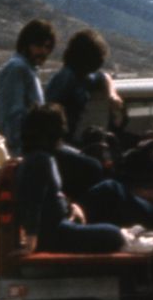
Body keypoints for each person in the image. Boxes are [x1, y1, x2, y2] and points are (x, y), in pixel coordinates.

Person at [16, 105, 126, 254]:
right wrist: (31, 242)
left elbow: (53, 196)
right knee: (114, 234)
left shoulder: (42, 157)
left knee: (109, 190)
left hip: (62, 222)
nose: (64, 132)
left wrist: (70, 208)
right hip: (56, 232)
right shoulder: (39, 160)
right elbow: (33, 203)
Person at [44, 28, 123, 142]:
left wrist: (112, 95)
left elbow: (104, 76)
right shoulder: (65, 78)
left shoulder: (83, 76)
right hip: (57, 141)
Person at [0, 19, 56, 156]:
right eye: (38, 45)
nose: (43, 51)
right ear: (26, 44)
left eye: (47, 47)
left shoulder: (30, 70)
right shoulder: (17, 68)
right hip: (25, 151)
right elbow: (12, 116)